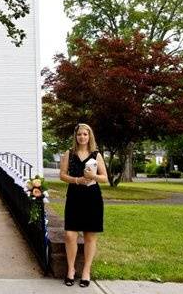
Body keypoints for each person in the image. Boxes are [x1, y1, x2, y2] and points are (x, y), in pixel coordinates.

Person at [59, 123, 108, 287]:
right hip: (74, 197)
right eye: (79, 134)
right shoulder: (69, 153)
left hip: (92, 198)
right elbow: (62, 175)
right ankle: (71, 270)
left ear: (89, 136)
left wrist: (93, 176)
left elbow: (105, 178)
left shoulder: (96, 155)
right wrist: (77, 180)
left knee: (89, 236)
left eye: (85, 134)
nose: (82, 137)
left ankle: (86, 271)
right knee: (70, 235)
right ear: (76, 136)